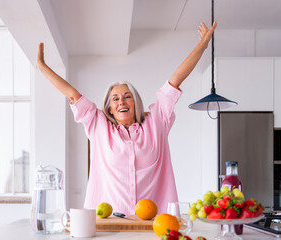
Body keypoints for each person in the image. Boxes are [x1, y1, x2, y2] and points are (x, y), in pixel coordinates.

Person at [36, 22, 217, 214]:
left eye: (127, 96)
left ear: (135, 102)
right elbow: (72, 94)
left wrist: (203, 45)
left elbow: (176, 80)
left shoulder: (157, 121)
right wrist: (42, 67)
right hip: (109, 223)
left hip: (155, 222)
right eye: (115, 99)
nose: (121, 101)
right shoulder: (98, 126)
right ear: (110, 109)